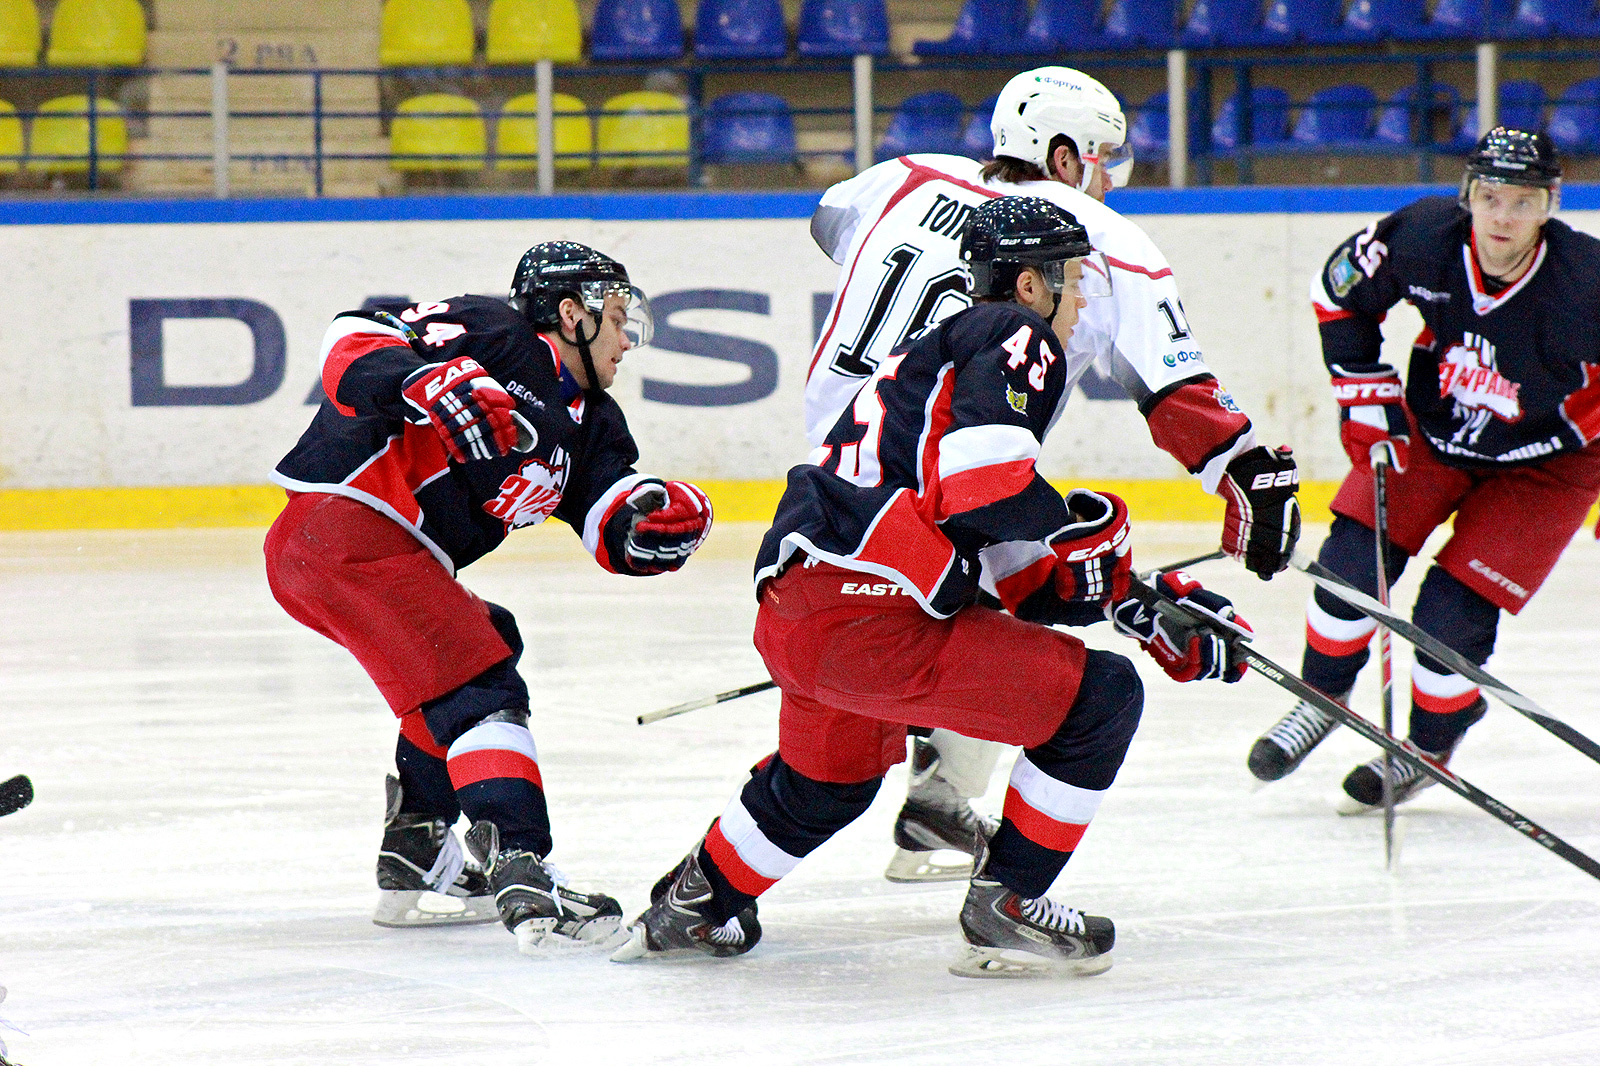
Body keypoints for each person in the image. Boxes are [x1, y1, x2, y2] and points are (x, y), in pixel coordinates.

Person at [612, 197, 1252, 977]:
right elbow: (989, 491)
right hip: (870, 615)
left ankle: (695, 903)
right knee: (1102, 701)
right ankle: (1008, 902)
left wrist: (1138, 605)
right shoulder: (1013, 337)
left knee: (827, 784)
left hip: (803, 610)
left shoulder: (937, 367)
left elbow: (1018, 574)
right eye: (1074, 281)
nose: (1083, 301)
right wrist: (1086, 533)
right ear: (1028, 285)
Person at [805, 65, 1302, 883]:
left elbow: (826, 222)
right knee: (1040, 579)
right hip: (943, 473)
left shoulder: (898, 178)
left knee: (975, 593)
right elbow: (1179, 393)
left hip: (835, 465)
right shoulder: (1098, 238)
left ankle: (928, 801)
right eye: (1103, 157)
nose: (1111, 178)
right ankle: (991, 866)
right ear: (1065, 157)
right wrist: (1244, 471)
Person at [263, 241, 715, 952]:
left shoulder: (594, 423)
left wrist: (651, 520)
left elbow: (607, 518)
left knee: (485, 641)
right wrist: (424, 380)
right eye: (620, 318)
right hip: (343, 527)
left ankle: (415, 857)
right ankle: (523, 866)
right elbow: (351, 340)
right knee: (479, 680)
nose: (629, 340)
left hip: (366, 553)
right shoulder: (496, 332)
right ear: (573, 312)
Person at [1246, 128, 1600, 810]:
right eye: (1490, 198)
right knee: (1352, 559)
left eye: (1522, 203)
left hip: (1551, 463)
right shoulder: (1424, 236)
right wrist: (1365, 393)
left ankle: (1429, 745)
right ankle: (1321, 696)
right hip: (1437, 430)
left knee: (1449, 618)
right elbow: (1339, 293)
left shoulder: (1586, 284)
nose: (1502, 218)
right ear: (1469, 194)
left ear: (1551, 204)